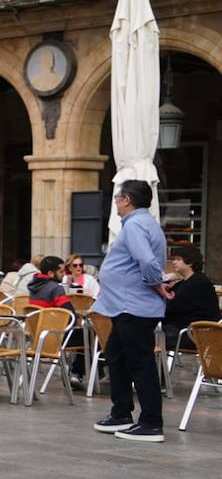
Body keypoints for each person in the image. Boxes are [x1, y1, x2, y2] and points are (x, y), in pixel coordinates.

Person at [92, 180, 170, 443]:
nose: (115, 203)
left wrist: (156, 285)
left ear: (126, 200)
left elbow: (147, 261)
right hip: (127, 305)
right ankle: (121, 412)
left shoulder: (135, 225)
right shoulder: (145, 223)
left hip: (133, 306)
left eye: (116, 198)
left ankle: (151, 423)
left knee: (141, 364)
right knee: (115, 355)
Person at [163, 245, 219, 352]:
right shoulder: (185, 282)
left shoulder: (199, 283)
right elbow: (166, 296)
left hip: (195, 334)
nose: (173, 262)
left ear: (190, 262)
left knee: (145, 337)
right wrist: (168, 281)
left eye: (178, 259)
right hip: (182, 330)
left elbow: (170, 306)